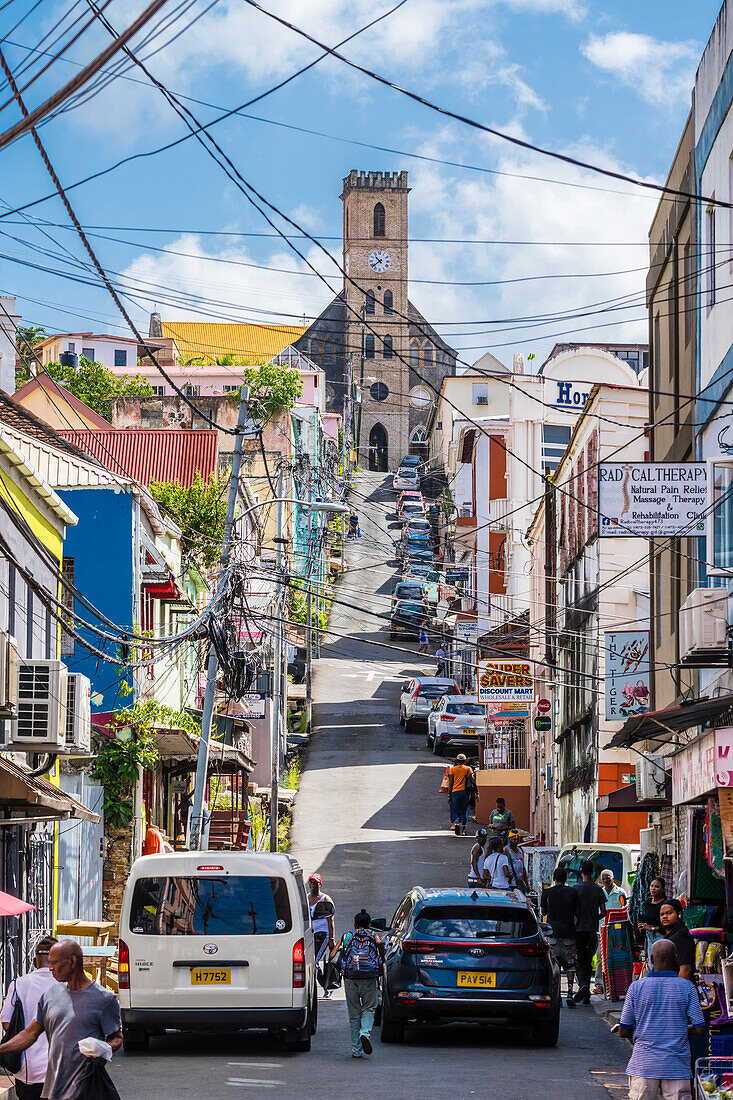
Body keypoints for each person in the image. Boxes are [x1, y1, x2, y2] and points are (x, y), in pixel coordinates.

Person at [0, 940, 122, 1100]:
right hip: (54, 1089)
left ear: (72, 961)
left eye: (54, 963)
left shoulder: (104, 999)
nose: (50, 968)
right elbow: (30, 1034)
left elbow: (117, 1037)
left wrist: (103, 1047)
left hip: (85, 1088)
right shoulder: (50, 996)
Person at [619, 938, 704, 1100]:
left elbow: (624, 1030)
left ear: (651, 959)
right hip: (677, 1067)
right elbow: (699, 1029)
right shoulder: (687, 987)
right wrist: (681, 1030)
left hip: (643, 1065)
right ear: (676, 959)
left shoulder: (636, 987)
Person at [1, 936, 58, 1100]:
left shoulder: (19, 984)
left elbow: (6, 1023)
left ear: (34, 962)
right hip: (62, 1068)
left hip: (28, 1068)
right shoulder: (67, 984)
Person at [332, 909, 384, 1059]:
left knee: (354, 1014)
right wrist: (381, 954)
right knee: (369, 1008)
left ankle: (356, 1050)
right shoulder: (373, 935)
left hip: (350, 978)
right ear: (369, 925)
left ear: (355, 924)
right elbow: (380, 944)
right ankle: (365, 1033)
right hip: (369, 978)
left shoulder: (347, 936)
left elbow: (331, 955)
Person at [540, 865, 580, 1008]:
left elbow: (543, 912)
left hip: (552, 935)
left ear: (554, 878)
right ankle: (569, 993)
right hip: (569, 934)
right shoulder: (573, 892)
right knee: (570, 965)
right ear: (565, 879)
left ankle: (557, 995)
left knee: (553, 967)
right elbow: (577, 913)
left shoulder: (547, 893)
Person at [572, 859, 607, 1005]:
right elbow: (603, 912)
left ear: (581, 872)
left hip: (578, 930)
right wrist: (594, 917)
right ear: (593, 872)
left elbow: (573, 910)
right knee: (587, 960)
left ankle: (583, 985)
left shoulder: (575, 888)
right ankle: (585, 991)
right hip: (592, 930)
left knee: (578, 961)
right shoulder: (598, 889)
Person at [593, 869, 628, 993]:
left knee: (617, 956)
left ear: (613, 878)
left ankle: (617, 984)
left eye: (608, 878)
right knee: (600, 958)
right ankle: (600, 985)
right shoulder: (599, 893)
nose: (606, 880)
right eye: (604, 879)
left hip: (617, 930)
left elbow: (624, 910)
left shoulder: (620, 892)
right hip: (601, 930)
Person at [307, 873, 336, 997]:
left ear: (320, 884)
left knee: (314, 961)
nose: (313, 885)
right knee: (312, 962)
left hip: (322, 934)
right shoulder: (306, 898)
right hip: (310, 934)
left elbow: (331, 920)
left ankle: (316, 989)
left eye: (315, 883)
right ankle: (326, 986)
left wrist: (331, 939)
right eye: (311, 882)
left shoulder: (325, 899)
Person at [659, 899, 696, 982]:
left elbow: (685, 969)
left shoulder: (681, 935)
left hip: (679, 989)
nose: (664, 916)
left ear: (679, 915)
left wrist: (678, 992)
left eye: (669, 913)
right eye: (662, 914)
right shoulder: (670, 936)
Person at [638, 877, 668, 960]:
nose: (653, 889)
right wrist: (645, 946)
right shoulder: (648, 902)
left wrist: (651, 928)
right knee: (651, 964)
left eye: (657, 887)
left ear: (662, 889)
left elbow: (666, 927)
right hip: (649, 938)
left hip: (661, 937)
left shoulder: (665, 904)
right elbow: (646, 926)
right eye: (652, 886)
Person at [446, 753, 474, 835]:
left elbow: (450, 783)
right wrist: (476, 792)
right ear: (465, 761)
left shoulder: (452, 770)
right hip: (465, 792)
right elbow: (472, 781)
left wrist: (448, 795)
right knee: (464, 810)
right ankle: (463, 829)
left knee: (455, 809)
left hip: (455, 792)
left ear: (457, 761)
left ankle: (457, 822)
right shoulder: (468, 769)